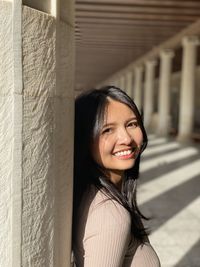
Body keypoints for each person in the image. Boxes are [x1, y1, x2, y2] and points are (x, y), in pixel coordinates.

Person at [72, 86, 160, 267]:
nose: (126, 138)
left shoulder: (91, 192)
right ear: (84, 139)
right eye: (107, 130)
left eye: (132, 124)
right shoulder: (110, 214)